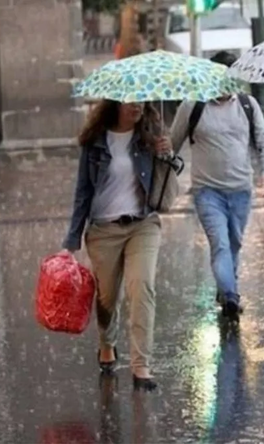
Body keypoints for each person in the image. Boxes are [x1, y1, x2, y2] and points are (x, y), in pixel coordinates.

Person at [62, 99, 179, 392]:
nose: (137, 106)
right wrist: (72, 241)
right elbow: (82, 192)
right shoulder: (96, 141)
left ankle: (141, 366)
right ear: (115, 104)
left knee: (142, 287)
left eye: (141, 101)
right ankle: (107, 343)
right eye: (130, 102)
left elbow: (172, 172)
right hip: (103, 230)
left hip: (143, 224)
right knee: (107, 298)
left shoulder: (150, 134)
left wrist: (168, 154)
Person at [158, 50, 264, 321]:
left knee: (233, 245)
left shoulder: (247, 104)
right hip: (207, 192)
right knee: (220, 245)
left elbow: (263, 140)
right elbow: (173, 144)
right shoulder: (193, 106)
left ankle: (226, 291)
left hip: (241, 190)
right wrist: (163, 149)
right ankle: (231, 297)